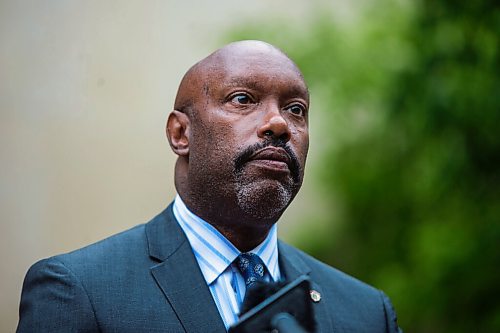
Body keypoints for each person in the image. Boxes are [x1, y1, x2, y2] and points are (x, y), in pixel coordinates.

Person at [17, 40, 401, 332]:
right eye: (243, 99)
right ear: (181, 133)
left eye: (295, 109)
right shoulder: (79, 293)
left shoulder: (366, 313)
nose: (279, 124)